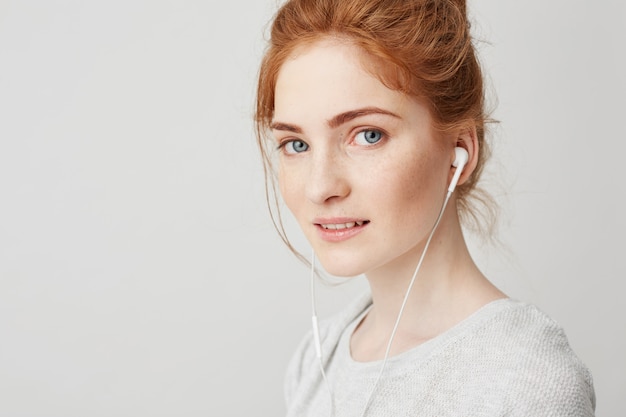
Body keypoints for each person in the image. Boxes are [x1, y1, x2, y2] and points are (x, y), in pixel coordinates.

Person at [254, 0, 596, 416]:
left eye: (368, 135)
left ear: (459, 153)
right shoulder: (317, 358)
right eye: (297, 144)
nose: (319, 186)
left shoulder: (522, 381)